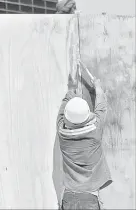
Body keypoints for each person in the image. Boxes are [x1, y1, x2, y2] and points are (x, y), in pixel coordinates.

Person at [57, 74, 113, 210]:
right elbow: (101, 108)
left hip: (68, 197)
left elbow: (63, 108)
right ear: (87, 116)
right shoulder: (95, 130)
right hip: (90, 198)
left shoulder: (61, 131)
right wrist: (98, 88)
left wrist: (71, 90)